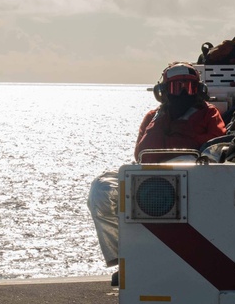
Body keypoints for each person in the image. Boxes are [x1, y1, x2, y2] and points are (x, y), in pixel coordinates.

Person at [88, 62, 226, 276]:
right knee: (101, 189)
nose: (181, 93)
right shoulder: (153, 116)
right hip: (146, 170)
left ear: (198, 90)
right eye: (175, 87)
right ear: (163, 92)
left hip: (188, 171)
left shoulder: (209, 114)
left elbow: (216, 146)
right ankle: (122, 257)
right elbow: (140, 153)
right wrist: (162, 120)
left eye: (187, 88)